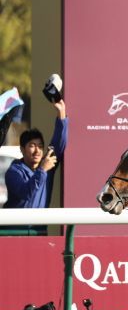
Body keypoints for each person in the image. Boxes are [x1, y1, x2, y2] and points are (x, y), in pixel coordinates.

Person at [3, 99, 69, 232]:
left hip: (39, 232)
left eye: (40, 146)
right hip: (13, 233)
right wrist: (42, 170)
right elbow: (26, 193)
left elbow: (59, 143)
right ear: (22, 149)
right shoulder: (13, 172)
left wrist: (61, 114)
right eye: (32, 146)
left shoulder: (46, 165)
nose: (37, 150)